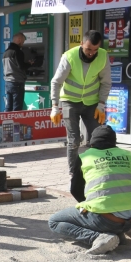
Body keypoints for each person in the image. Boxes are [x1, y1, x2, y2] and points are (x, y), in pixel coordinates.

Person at [48, 125, 131, 254]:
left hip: (104, 220)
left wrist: (89, 205)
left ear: (92, 142)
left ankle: (97, 237)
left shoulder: (85, 157)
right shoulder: (128, 156)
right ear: (114, 141)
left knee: (54, 221)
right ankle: (116, 233)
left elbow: (74, 189)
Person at [50, 30, 112, 174]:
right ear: (81, 44)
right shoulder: (69, 57)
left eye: (95, 50)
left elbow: (106, 82)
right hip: (69, 102)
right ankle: (74, 174)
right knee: (74, 140)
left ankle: (97, 172)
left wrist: (101, 104)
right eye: (88, 49)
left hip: (92, 103)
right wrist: (54, 106)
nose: (91, 53)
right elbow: (56, 82)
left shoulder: (102, 56)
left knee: (98, 138)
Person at [3, 32, 33, 111]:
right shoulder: (17, 51)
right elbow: (21, 66)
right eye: (22, 42)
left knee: (8, 107)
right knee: (17, 107)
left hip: (8, 82)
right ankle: (16, 123)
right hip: (17, 82)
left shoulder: (6, 52)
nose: (22, 44)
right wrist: (30, 64)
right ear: (19, 40)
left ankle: (6, 122)